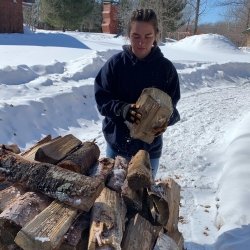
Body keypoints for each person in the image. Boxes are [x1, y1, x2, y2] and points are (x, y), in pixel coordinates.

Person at [94, 8, 180, 178]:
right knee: (112, 197)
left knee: (142, 199)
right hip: (117, 145)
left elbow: (172, 107)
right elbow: (102, 100)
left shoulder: (166, 69)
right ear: (128, 35)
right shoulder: (115, 64)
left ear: (156, 35)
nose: (141, 42)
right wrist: (122, 109)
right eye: (136, 36)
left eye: (148, 36)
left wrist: (165, 120)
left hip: (149, 150)